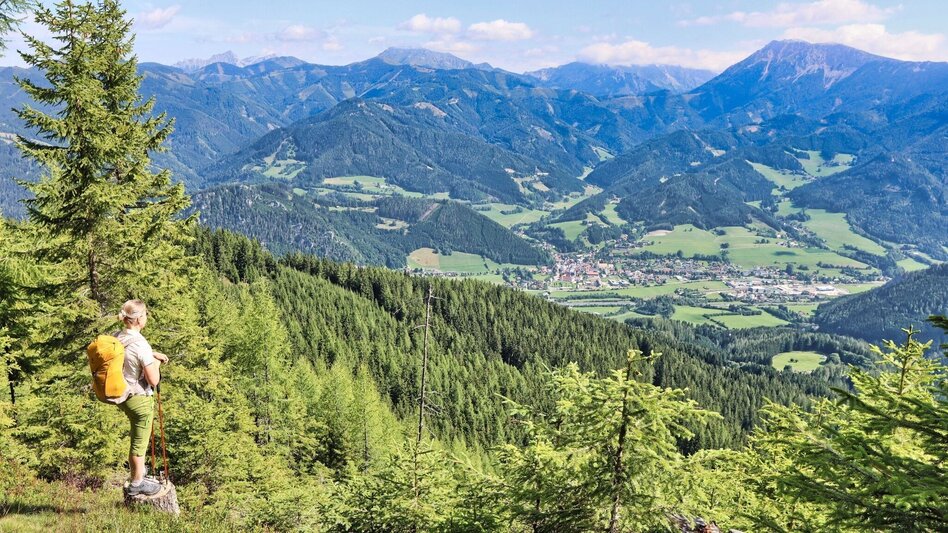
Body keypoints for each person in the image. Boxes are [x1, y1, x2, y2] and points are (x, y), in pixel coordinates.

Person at [114, 299, 169, 496]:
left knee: (136, 433)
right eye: (145, 314)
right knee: (140, 440)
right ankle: (137, 482)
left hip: (123, 394)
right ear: (138, 319)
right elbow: (153, 379)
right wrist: (156, 363)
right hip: (138, 398)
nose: (146, 317)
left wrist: (152, 355)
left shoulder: (119, 336)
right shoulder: (141, 344)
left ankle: (138, 473)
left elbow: (130, 354)